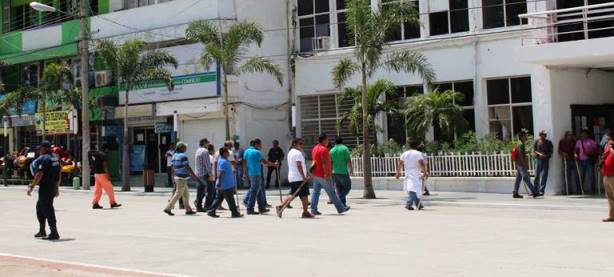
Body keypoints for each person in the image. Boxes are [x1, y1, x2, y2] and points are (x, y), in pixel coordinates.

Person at [26, 141, 61, 240]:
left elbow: (39, 174)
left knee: (47, 209)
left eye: (40, 148)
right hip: (52, 186)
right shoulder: (55, 157)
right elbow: (59, 173)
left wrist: (32, 186)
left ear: (45, 148)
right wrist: (57, 187)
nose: (39, 150)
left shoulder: (45, 158)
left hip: (46, 187)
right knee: (40, 208)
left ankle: (54, 232)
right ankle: (42, 230)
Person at [310, 134, 350, 215]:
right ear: (324, 140)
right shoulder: (324, 149)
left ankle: (313, 209)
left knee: (315, 191)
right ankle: (341, 208)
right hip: (323, 174)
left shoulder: (314, 148)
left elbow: (314, 161)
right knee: (332, 192)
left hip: (316, 174)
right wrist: (326, 173)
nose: (328, 141)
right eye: (327, 140)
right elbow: (324, 162)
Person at [276, 138, 314, 218]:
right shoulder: (298, 153)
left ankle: (305, 212)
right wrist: (304, 177)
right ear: (294, 144)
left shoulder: (290, 152)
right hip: (298, 177)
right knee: (302, 195)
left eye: (302, 143)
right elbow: (298, 165)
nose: (302, 145)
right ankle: (282, 206)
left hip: (293, 177)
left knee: (296, 194)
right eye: (300, 143)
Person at [243, 138, 277, 215]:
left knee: (259, 190)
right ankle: (250, 208)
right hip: (256, 173)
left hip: (250, 173)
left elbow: (244, 163)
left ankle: (261, 207)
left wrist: (244, 173)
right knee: (254, 191)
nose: (261, 146)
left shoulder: (246, 151)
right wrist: (274, 164)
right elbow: (264, 162)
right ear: (256, 144)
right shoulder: (257, 152)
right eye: (260, 144)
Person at [163, 141, 197, 216]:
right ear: (181, 148)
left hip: (177, 177)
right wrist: (194, 176)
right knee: (178, 194)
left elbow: (172, 167)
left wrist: (173, 177)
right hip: (182, 178)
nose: (186, 148)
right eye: (185, 147)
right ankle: (168, 208)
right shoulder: (183, 156)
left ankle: (188, 209)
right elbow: (187, 167)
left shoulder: (174, 155)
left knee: (186, 194)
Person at [207, 147, 243, 218]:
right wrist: (219, 182)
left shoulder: (224, 161)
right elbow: (221, 172)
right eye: (227, 152)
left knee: (219, 199)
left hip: (225, 184)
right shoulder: (223, 161)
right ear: (224, 153)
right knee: (230, 199)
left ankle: (211, 210)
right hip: (226, 185)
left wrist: (232, 171)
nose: (229, 153)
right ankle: (234, 213)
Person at [395, 140, 428, 210]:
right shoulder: (418, 153)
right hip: (416, 173)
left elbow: (400, 163)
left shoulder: (404, 153)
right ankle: (409, 204)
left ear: (409, 146)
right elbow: (421, 163)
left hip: (408, 172)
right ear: (416, 146)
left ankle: (417, 204)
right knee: (413, 189)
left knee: (412, 189)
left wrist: (398, 173)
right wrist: (425, 172)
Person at [89, 144, 121, 209]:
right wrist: (107, 174)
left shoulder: (95, 154)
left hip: (96, 174)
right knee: (110, 189)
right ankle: (112, 203)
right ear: (106, 149)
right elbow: (104, 165)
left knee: (98, 190)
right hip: (102, 174)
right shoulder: (103, 154)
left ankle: (95, 203)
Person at [512, 129, 541, 198]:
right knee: (526, 178)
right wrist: (525, 164)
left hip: (518, 163)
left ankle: (515, 192)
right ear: (521, 137)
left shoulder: (519, 143)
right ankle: (534, 192)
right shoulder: (521, 145)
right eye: (525, 136)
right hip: (521, 164)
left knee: (518, 178)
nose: (526, 137)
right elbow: (521, 155)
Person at [330, 137, 353, 206]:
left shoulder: (332, 150)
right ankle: (338, 199)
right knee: (347, 187)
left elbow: (330, 162)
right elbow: (348, 160)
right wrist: (351, 169)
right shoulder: (344, 148)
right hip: (343, 172)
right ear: (342, 141)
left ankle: (343, 204)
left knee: (340, 189)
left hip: (334, 172)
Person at [575, 129, 598, 194]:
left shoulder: (591, 141)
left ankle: (592, 190)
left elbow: (596, 149)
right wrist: (575, 154)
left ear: (587, 135)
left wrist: (591, 152)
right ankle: (580, 190)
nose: (583, 136)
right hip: (581, 160)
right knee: (581, 176)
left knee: (591, 176)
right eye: (582, 134)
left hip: (589, 160)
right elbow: (576, 149)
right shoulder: (579, 142)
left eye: (584, 134)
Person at [194, 138, 213, 212]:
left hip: (198, 173)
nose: (208, 144)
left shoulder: (198, 150)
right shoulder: (205, 151)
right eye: (207, 142)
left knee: (200, 190)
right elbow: (207, 164)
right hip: (204, 174)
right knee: (211, 190)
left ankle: (199, 207)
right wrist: (210, 174)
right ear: (204, 143)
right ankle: (207, 206)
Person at [533, 130, 553, 194]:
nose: (544, 135)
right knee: (537, 175)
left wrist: (545, 155)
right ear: (540, 135)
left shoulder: (548, 142)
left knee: (545, 175)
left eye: (545, 134)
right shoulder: (537, 141)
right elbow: (534, 150)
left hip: (545, 160)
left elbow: (551, 152)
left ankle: (542, 190)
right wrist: (539, 154)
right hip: (538, 160)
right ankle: (535, 189)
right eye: (543, 134)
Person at [600, 137, 614, 222]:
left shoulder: (612, 151)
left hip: (613, 177)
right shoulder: (607, 151)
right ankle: (612, 216)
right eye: (608, 143)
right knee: (610, 198)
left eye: (611, 143)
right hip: (606, 176)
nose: (608, 145)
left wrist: (611, 148)